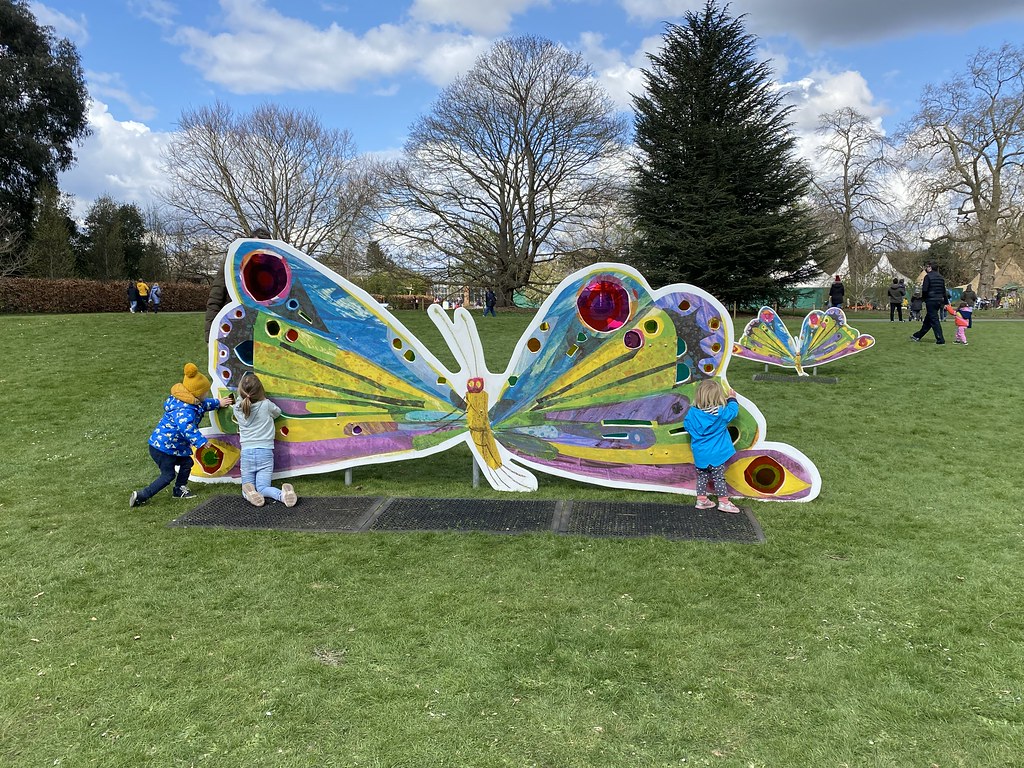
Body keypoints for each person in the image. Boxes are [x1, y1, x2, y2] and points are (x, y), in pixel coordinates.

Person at [130, 363, 233, 507]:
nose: (207, 394)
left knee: (187, 463)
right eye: (205, 392)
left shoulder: (191, 401)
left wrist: (218, 403)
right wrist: (202, 442)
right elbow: (187, 429)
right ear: (196, 393)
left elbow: (203, 404)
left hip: (170, 446)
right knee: (168, 475)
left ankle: (179, 489)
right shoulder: (184, 410)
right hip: (163, 449)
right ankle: (141, 496)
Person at [233, 372, 297, 507]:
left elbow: (241, 399)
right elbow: (278, 412)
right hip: (265, 452)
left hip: (247, 453)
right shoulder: (267, 405)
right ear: (261, 391)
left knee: (247, 486)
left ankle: (250, 494)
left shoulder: (237, 409)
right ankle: (283, 495)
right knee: (263, 487)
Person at [683, 379, 741, 514]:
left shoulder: (692, 414)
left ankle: (701, 500)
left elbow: (687, 426)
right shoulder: (721, 414)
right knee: (719, 477)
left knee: (702, 477)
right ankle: (724, 502)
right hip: (717, 454)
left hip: (700, 454)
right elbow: (733, 411)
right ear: (718, 396)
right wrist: (732, 399)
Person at [205, 227, 274, 337]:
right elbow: (215, 300)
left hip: (260, 332)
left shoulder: (273, 271)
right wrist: (210, 335)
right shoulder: (231, 264)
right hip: (233, 328)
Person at [910, 262, 947, 344]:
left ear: (930, 267)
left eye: (927, 267)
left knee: (934, 320)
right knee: (928, 320)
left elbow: (925, 290)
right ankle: (917, 336)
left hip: (931, 300)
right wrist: (945, 302)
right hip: (939, 300)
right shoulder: (941, 277)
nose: (926, 268)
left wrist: (924, 299)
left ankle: (940, 339)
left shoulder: (928, 277)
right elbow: (944, 291)